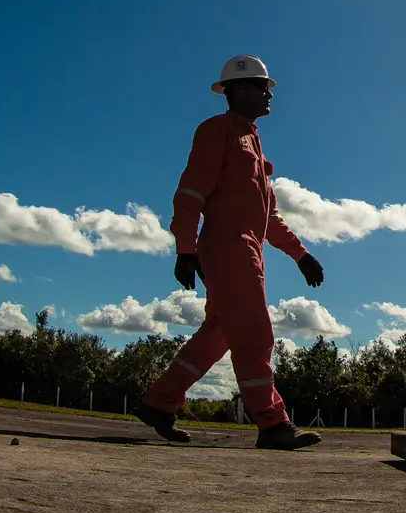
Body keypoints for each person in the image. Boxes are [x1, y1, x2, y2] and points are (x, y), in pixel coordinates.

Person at [133, 55, 325, 450]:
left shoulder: (254, 142)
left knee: (219, 332)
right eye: (261, 86)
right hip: (228, 248)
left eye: (268, 86)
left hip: (248, 250)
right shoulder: (215, 130)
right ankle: (272, 423)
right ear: (236, 90)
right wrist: (185, 248)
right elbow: (189, 192)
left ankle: (158, 402)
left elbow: (268, 217)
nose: (269, 93)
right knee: (255, 333)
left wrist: (301, 255)